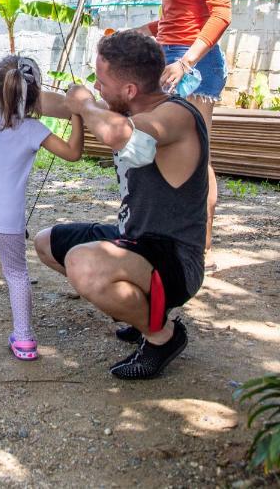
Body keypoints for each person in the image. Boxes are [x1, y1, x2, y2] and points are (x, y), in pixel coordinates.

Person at [34, 31, 209, 380]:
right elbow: (59, 105)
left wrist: (85, 105)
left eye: (101, 82)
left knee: (83, 264)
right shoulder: (125, 108)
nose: (97, 89)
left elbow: (122, 135)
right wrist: (3, 88)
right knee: (46, 242)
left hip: (174, 259)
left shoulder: (175, 115)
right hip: (135, 241)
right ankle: (140, 312)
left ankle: (162, 336)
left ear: (130, 90)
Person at [0, 55, 84, 369]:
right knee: (16, 275)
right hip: (6, 223)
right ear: (34, 93)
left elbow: (0, 106)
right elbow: (73, 153)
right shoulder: (34, 130)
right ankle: (25, 339)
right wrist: (78, 113)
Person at [140, 0, 231, 251]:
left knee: (194, 155)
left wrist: (186, 64)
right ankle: (178, 235)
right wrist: (138, 32)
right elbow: (177, 15)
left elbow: (221, 13)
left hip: (194, 66)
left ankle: (200, 245)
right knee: (170, 150)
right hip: (171, 56)